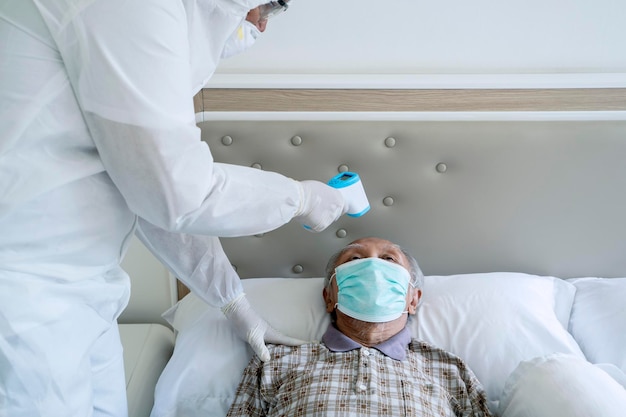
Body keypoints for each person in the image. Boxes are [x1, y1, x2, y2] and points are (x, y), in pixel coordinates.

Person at [0, 0, 346, 416]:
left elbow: (144, 185)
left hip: (82, 289)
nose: (260, 26)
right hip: (23, 292)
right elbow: (173, 192)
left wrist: (233, 302)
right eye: (267, 7)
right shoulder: (126, 9)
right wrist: (300, 198)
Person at [226, 237, 493, 417]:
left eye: (389, 260)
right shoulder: (276, 362)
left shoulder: (447, 369)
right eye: (354, 260)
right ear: (329, 297)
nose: (372, 266)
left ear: (413, 299)